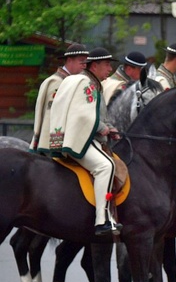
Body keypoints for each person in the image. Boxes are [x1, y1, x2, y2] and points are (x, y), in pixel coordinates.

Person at [38, 47, 122, 236]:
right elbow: (82, 115)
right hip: (79, 141)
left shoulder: (91, 83)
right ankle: (102, 220)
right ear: (95, 65)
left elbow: (96, 114)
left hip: (84, 138)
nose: (110, 69)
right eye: (107, 64)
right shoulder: (86, 83)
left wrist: (110, 128)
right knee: (105, 166)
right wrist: (102, 128)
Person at [31, 43, 89, 152]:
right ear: (69, 60)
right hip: (52, 146)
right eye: (81, 61)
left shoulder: (70, 82)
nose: (85, 65)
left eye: (86, 61)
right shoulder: (56, 83)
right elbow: (52, 115)